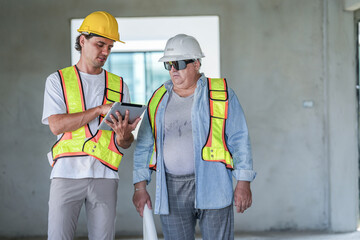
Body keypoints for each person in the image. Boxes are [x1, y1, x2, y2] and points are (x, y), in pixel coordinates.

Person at [132, 33, 256, 240]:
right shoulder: (158, 98)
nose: (173, 70)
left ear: (196, 63)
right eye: (168, 65)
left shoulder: (220, 93)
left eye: (178, 64)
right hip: (171, 188)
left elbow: (239, 139)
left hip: (213, 182)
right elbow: (145, 145)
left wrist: (243, 182)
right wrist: (140, 186)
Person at [41, 11, 140, 240]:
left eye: (110, 47)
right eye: (100, 44)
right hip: (66, 173)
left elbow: (124, 143)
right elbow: (56, 126)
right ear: (82, 40)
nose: (105, 52)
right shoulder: (58, 80)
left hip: (105, 175)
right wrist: (97, 110)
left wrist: (125, 135)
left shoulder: (119, 84)